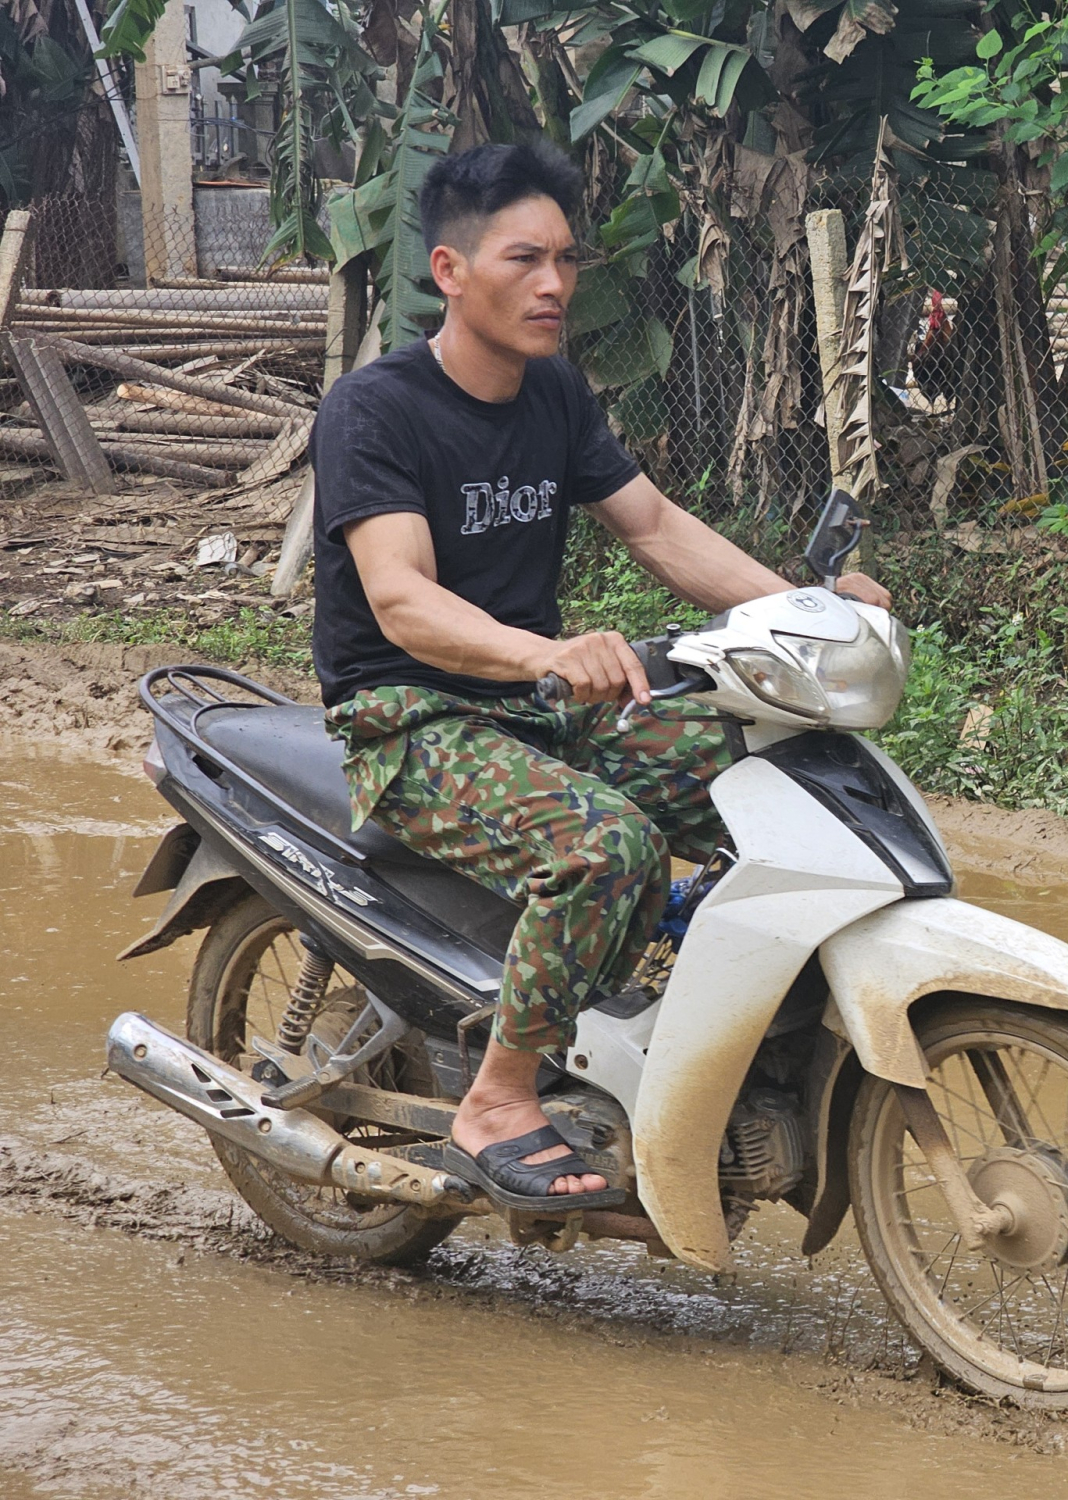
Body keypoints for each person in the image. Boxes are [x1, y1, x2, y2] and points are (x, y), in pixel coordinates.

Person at [308, 139, 889, 1212]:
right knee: (604, 844)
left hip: (542, 709)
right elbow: (401, 597)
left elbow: (655, 526)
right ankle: (499, 1096)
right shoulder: (376, 409)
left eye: (567, 261)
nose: (553, 285)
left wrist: (800, 616)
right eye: (525, 259)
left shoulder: (555, 395)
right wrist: (545, 652)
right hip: (412, 720)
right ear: (449, 271)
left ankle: (711, 1018)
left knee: (771, 762)